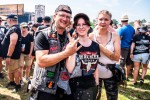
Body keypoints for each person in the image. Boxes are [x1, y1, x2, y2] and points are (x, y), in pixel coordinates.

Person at [30, 5, 81, 100]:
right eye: (62, 15)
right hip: (45, 88)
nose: (65, 19)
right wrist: (66, 53)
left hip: (64, 87)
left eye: (68, 17)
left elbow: (70, 67)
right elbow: (41, 61)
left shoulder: (69, 38)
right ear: (55, 16)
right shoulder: (43, 35)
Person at [66, 13, 99, 100]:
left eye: (84, 24)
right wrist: (72, 51)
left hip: (91, 85)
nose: (81, 27)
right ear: (75, 28)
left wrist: (97, 84)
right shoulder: (72, 44)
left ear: (88, 27)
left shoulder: (96, 46)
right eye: (78, 25)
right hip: (75, 86)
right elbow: (69, 69)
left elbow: (96, 67)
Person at [89, 10, 120, 100]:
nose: (103, 22)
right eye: (101, 19)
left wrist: (98, 46)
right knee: (93, 97)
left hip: (110, 74)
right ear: (97, 20)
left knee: (112, 97)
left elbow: (117, 57)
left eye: (106, 19)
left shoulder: (115, 36)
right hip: (94, 74)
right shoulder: (90, 36)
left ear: (110, 21)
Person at [1, 14, 22, 92]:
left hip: (12, 55)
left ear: (9, 20)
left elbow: (13, 43)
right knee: (11, 70)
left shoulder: (14, 29)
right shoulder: (16, 28)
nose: (6, 21)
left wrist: (8, 56)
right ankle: (12, 82)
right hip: (12, 54)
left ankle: (17, 85)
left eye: (7, 20)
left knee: (15, 70)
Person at [117, 14, 135, 80]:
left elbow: (119, 38)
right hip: (130, 48)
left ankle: (121, 77)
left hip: (123, 48)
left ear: (121, 21)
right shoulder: (132, 28)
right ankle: (127, 76)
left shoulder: (121, 29)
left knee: (121, 64)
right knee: (129, 63)